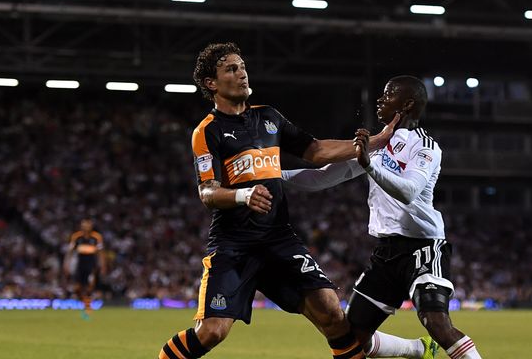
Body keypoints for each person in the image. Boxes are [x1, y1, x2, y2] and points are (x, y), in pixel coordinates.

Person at [157, 42, 400, 359]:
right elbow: (208, 193)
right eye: (231, 69)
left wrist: (376, 141)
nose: (242, 73)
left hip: (278, 238)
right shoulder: (208, 131)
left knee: (332, 313)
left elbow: (315, 151)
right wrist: (243, 194)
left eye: (242, 66)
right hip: (234, 244)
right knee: (213, 331)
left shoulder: (269, 118)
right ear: (210, 83)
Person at [283, 75, 483, 359]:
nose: (380, 100)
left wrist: (370, 166)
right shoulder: (376, 145)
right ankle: (417, 351)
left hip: (423, 247)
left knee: (435, 321)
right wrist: (269, 177)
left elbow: (410, 191)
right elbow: (321, 178)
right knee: (353, 339)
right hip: (387, 252)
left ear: (407, 104)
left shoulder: (425, 146)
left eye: (388, 95)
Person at [63, 218, 106, 319]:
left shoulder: (96, 237)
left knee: (89, 287)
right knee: (77, 287)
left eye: (88, 224)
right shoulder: (76, 237)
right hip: (80, 264)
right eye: (84, 225)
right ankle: (86, 305)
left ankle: (87, 309)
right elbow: (69, 252)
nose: (86, 227)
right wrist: (66, 264)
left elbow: (101, 253)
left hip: (92, 265)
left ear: (91, 226)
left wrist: (103, 265)